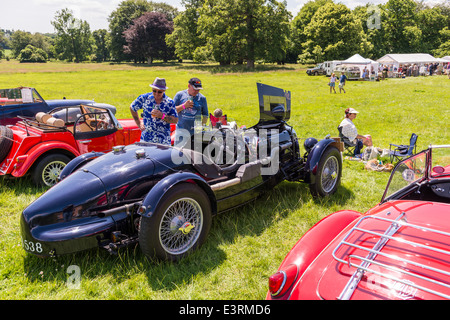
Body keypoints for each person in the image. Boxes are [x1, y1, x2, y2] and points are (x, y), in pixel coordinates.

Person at [130, 77, 178, 145]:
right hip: (147, 139)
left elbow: (175, 120)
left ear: (164, 90)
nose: (156, 93)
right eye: (154, 90)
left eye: (159, 92)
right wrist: (139, 123)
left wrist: (162, 116)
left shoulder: (169, 102)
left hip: (163, 140)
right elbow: (132, 107)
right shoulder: (144, 98)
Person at [173, 77, 208, 144]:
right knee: (178, 153)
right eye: (195, 89)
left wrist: (201, 125)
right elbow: (172, 111)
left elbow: (205, 115)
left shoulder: (202, 98)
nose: (197, 91)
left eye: (198, 89)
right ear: (189, 85)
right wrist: (184, 106)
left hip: (195, 134)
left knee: (194, 153)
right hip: (181, 131)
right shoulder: (180, 95)